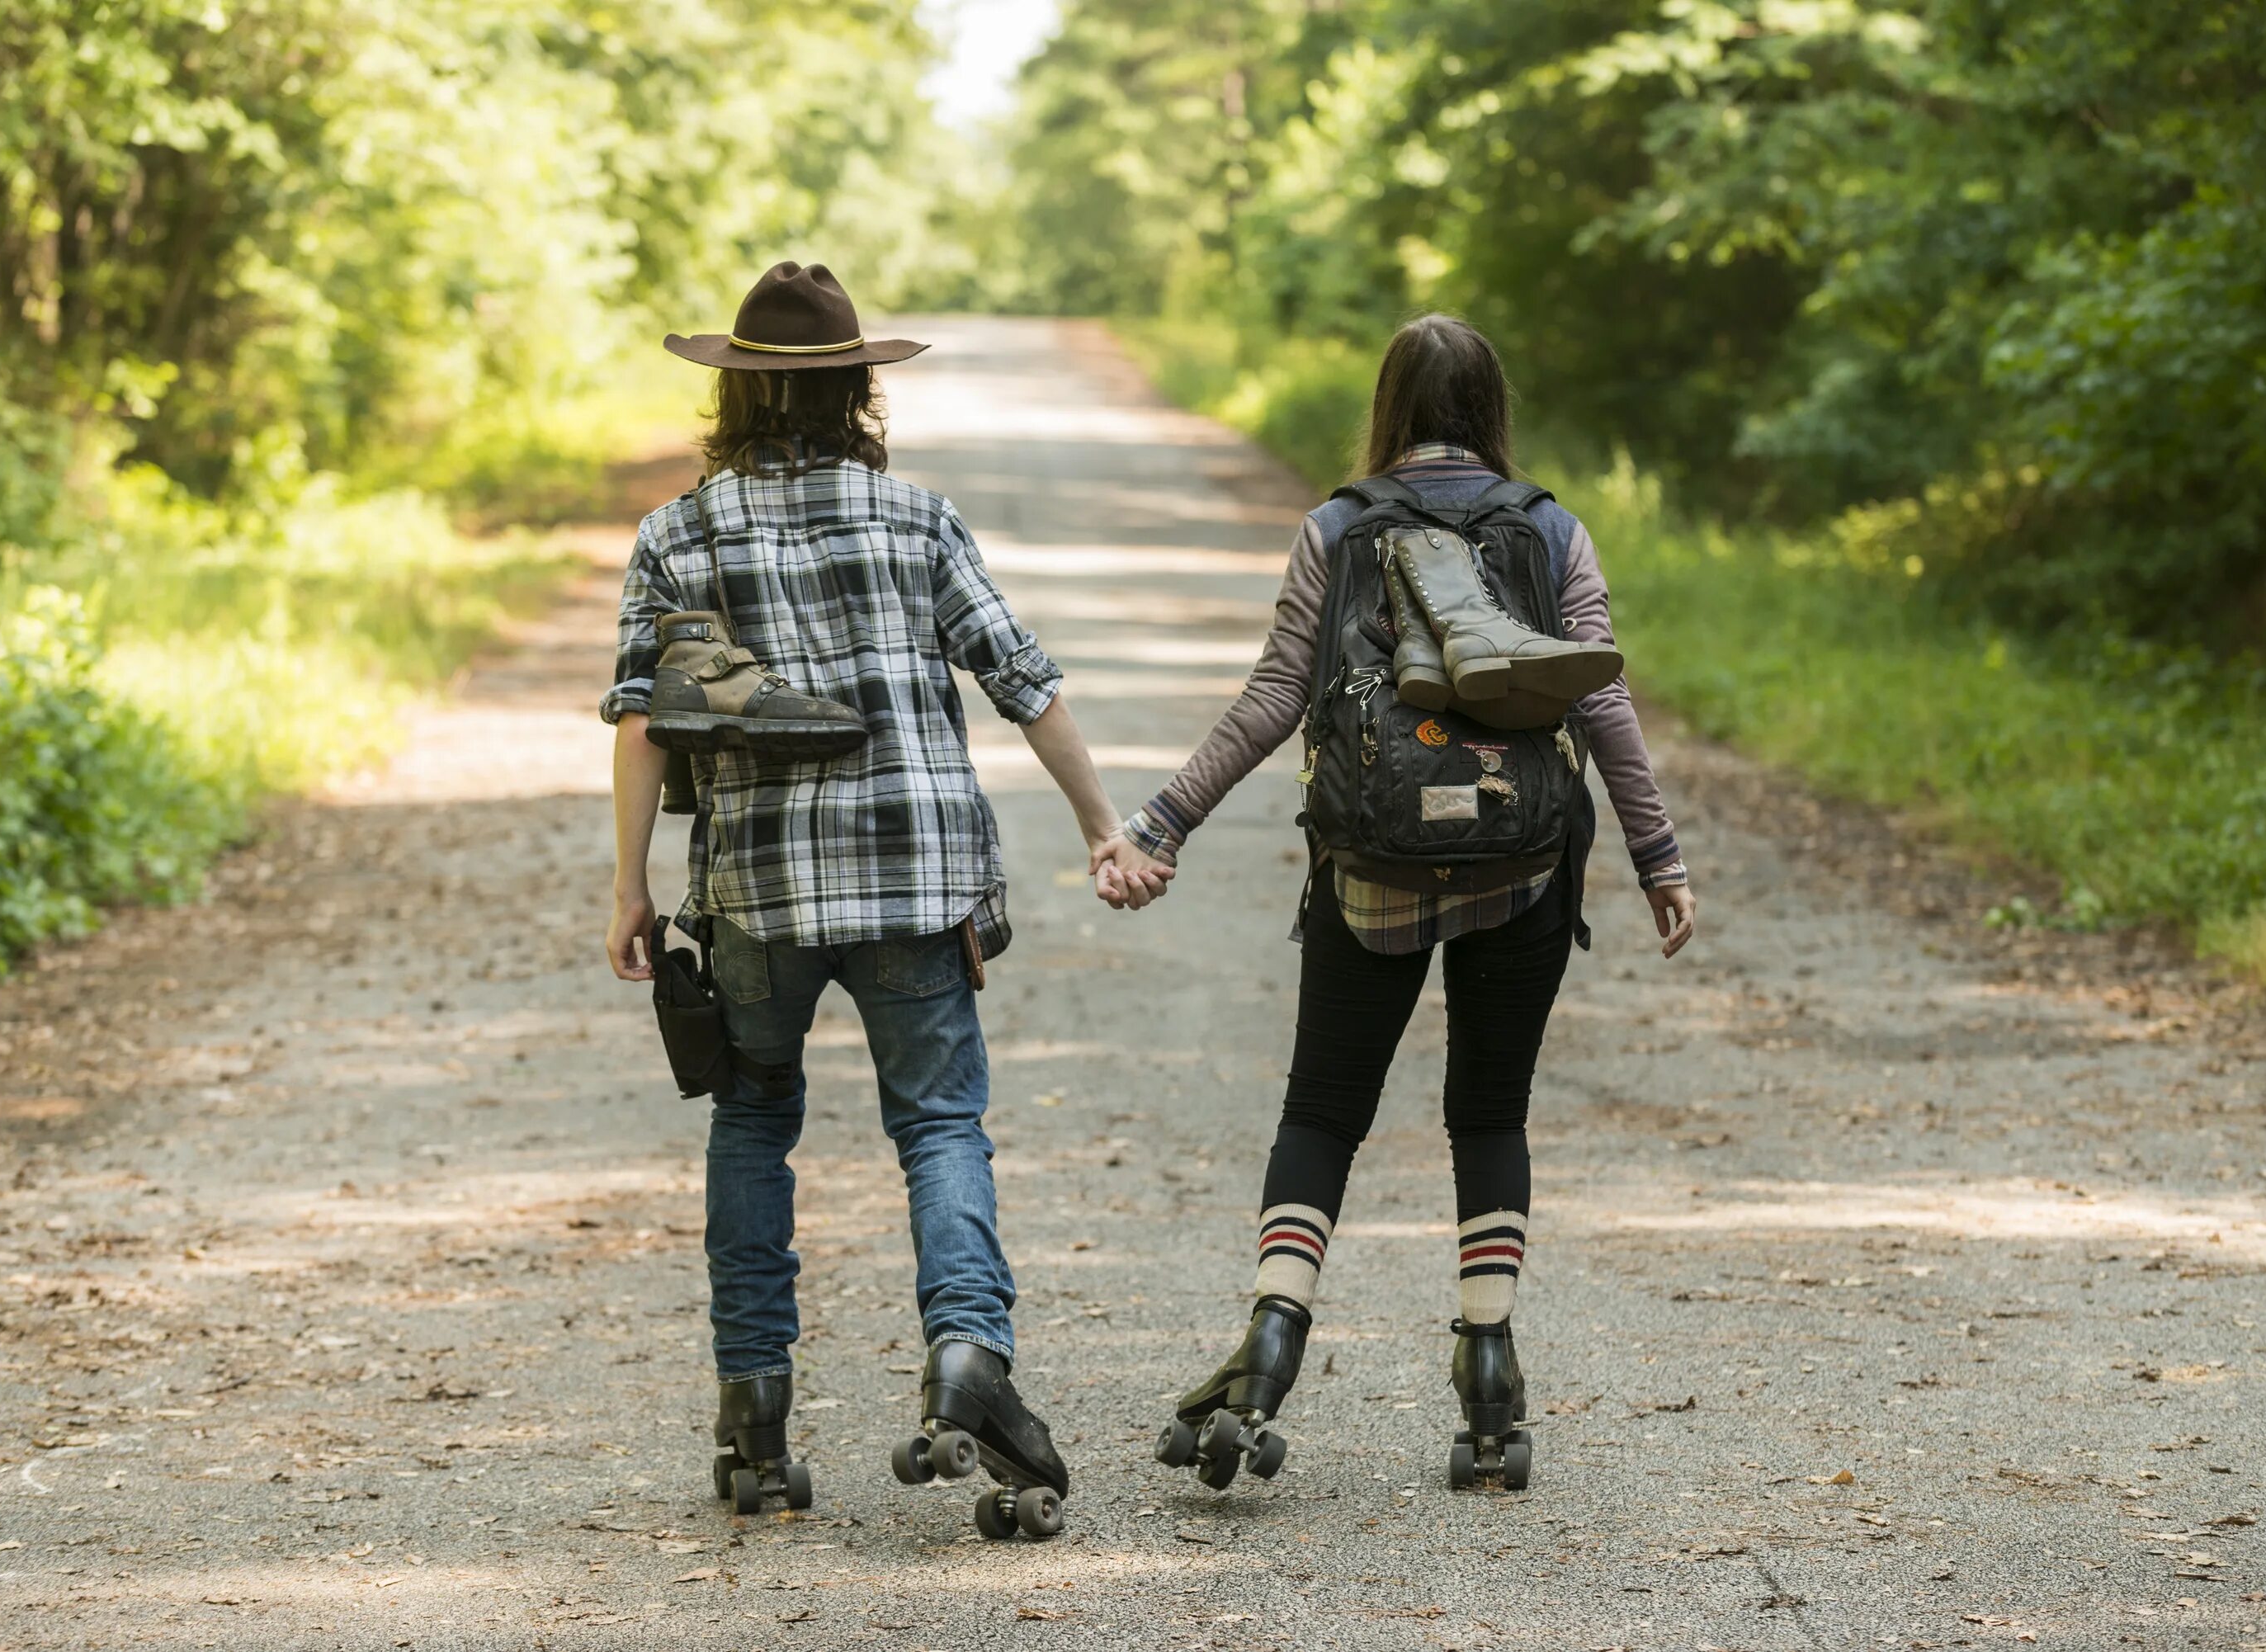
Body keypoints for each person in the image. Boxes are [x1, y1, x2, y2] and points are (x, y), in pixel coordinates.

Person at [1095, 313, 1697, 1492]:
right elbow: (1604, 701)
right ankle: (1486, 1381)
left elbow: (1276, 695)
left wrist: (1162, 822)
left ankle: (1270, 1345)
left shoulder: (1337, 528)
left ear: (1388, 408)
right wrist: (1658, 855)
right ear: (1491, 412)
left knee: (1323, 1110)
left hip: (1369, 870)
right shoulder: (1551, 529)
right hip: (1523, 869)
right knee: (1488, 1110)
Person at [601, 262, 1148, 1540]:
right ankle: (968, 1357)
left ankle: (756, 1409)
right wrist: (1101, 825)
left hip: (756, 885)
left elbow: (640, 720)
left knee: (751, 1126)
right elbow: (1023, 678)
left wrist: (628, 884)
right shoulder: (917, 519)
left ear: (733, 390)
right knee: (941, 1125)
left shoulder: (681, 532)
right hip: (915, 877)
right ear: (858, 388)